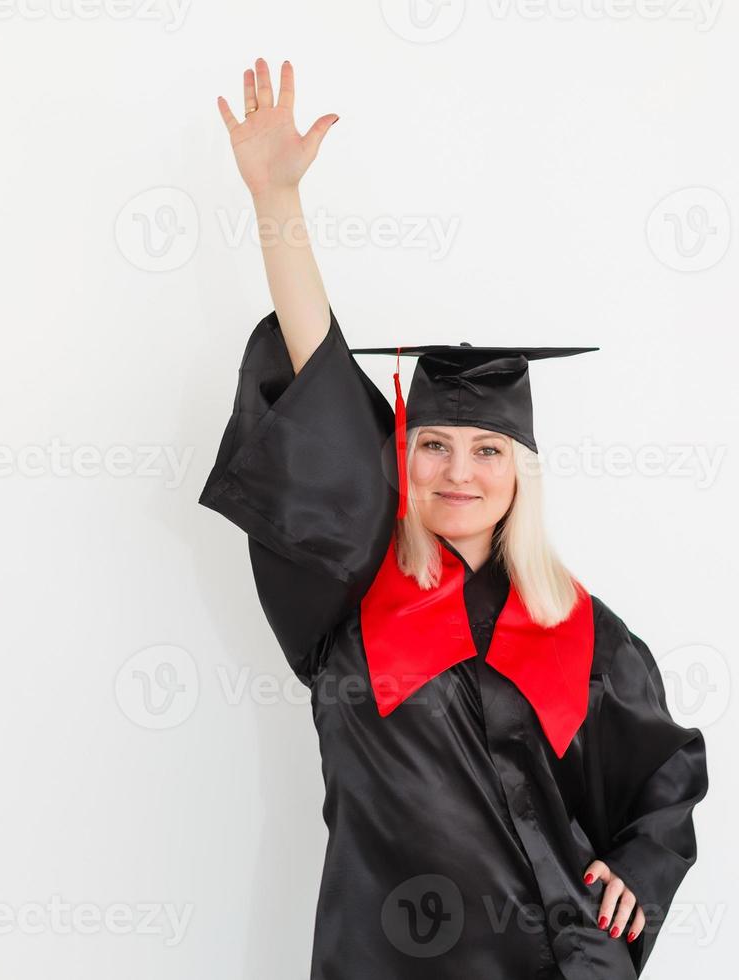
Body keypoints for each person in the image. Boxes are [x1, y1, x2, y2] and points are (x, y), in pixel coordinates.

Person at [199, 59, 709, 980]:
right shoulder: (349, 594)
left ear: (523, 472)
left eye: (488, 451)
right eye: (433, 444)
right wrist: (278, 202)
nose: (459, 471)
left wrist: (637, 866)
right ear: (399, 459)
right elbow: (319, 384)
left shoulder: (585, 635)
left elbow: (665, 780)